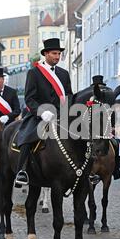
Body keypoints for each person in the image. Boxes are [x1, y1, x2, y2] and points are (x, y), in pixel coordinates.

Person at [14, 38, 72, 187]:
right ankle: (22, 170)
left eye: (59, 54)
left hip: (60, 115)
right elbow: (29, 98)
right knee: (28, 137)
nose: (57, 57)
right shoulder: (34, 73)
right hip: (39, 115)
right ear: (46, 54)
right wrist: (42, 112)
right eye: (54, 53)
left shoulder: (64, 74)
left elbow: (69, 96)